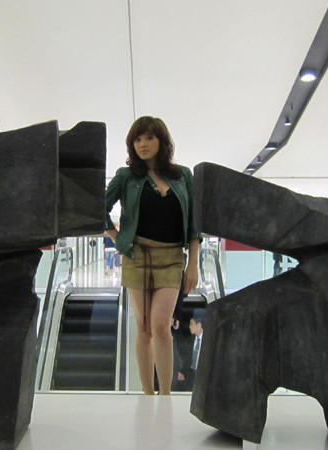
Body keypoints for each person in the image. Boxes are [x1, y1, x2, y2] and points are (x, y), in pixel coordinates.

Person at [105, 116, 200, 395]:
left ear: (162, 141)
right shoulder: (126, 176)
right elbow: (98, 208)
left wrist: (193, 264)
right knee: (145, 329)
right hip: (137, 256)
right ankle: (148, 394)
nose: (142, 144)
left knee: (161, 326)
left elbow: (194, 223)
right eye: (137, 139)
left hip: (172, 258)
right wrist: (118, 238)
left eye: (149, 137)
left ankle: (166, 395)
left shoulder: (183, 176)